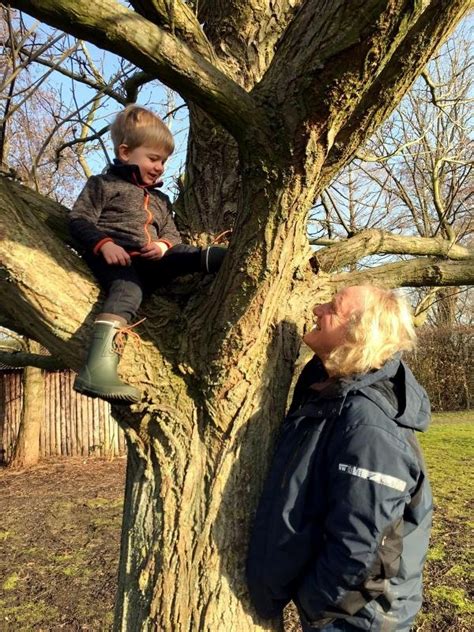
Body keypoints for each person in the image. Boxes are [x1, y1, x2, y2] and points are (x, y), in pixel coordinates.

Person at [246, 285, 433, 631]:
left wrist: (314, 602)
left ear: (358, 332)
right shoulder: (330, 394)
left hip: (356, 619)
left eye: (332, 306)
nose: (316, 308)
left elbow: (361, 547)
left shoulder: (369, 426)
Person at [69, 105, 226, 403]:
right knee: (127, 292)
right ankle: (97, 369)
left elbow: (171, 233)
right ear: (126, 153)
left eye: (164, 161)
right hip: (117, 258)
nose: (160, 167)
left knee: (184, 253)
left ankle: (224, 259)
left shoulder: (159, 198)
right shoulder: (103, 184)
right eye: (153, 158)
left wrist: (163, 245)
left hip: (151, 258)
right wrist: (105, 245)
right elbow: (79, 220)